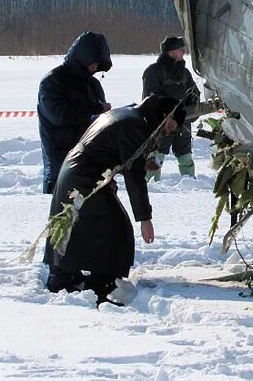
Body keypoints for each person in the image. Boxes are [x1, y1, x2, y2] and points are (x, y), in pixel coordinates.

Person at [43, 94, 184, 303]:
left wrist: (144, 160)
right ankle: (102, 282)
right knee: (116, 227)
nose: (167, 132)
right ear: (164, 115)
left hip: (79, 172)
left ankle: (66, 274)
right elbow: (134, 175)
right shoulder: (136, 126)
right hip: (84, 178)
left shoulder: (132, 115)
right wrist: (145, 218)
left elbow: (117, 149)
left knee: (79, 224)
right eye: (170, 126)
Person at [38, 32, 112, 194]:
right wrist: (94, 111)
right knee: (64, 215)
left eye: (98, 64)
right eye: (93, 63)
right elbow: (58, 116)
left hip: (92, 160)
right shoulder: (53, 81)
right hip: (61, 162)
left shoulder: (92, 84)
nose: (95, 68)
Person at [142, 35, 200, 180]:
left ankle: (190, 186)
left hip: (182, 123)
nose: (184, 52)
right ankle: (151, 188)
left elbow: (194, 93)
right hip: (161, 124)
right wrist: (167, 114)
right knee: (155, 157)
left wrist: (194, 108)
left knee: (186, 157)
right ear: (172, 51)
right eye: (181, 50)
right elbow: (150, 97)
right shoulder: (154, 71)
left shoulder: (185, 73)